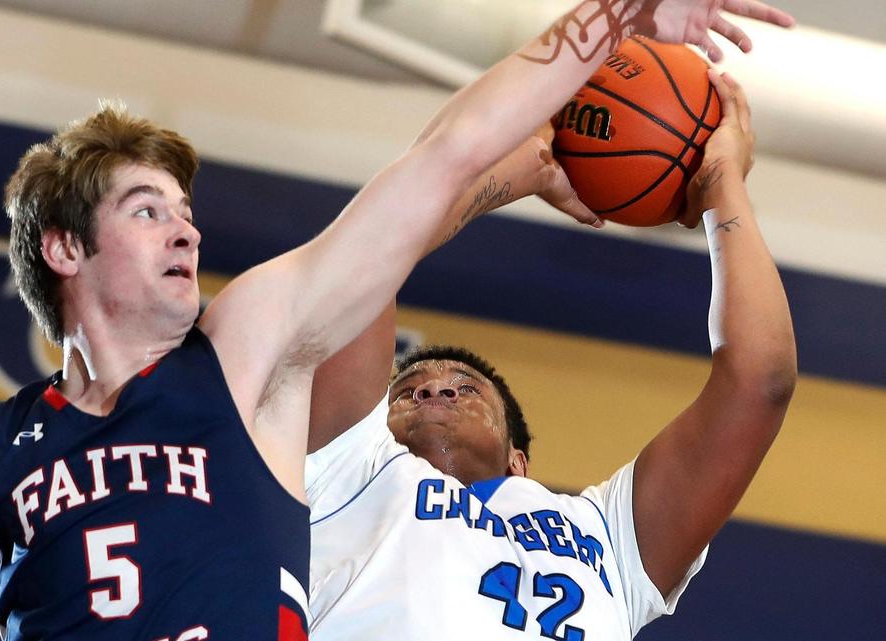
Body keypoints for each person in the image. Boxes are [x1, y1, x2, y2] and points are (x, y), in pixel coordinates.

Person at [0, 1, 793, 639]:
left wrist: (615, 13)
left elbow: (434, 165)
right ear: (64, 249)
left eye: (188, 212)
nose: (184, 231)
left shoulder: (244, 354)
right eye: (148, 210)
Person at [304, 70, 797, 639]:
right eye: (408, 391)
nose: (434, 390)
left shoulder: (606, 534)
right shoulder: (345, 466)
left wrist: (720, 181)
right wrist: (508, 174)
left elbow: (760, 381)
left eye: (464, 388)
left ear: (518, 460)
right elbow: (366, 253)